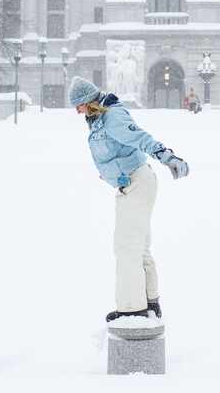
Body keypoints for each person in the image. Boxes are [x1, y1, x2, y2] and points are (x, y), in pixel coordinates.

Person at [69, 76, 189, 322]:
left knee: (126, 248)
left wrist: (168, 157)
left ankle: (132, 310)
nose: (77, 111)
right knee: (139, 247)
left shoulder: (112, 116)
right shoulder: (99, 119)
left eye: (78, 105)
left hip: (137, 183)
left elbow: (140, 138)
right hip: (131, 184)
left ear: (88, 101)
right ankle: (149, 301)